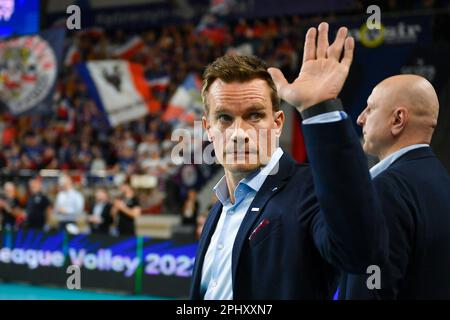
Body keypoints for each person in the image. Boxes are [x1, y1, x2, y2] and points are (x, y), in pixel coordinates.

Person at [190, 24, 386, 299]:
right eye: (224, 118)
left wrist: (320, 110)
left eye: (255, 115)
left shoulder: (309, 190)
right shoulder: (219, 208)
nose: (239, 133)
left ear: (278, 123)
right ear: (208, 128)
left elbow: (359, 252)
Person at [269, 22, 450, 299]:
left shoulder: (386, 190)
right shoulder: (440, 180)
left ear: (398, 119)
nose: (360, 117)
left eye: (370, 108)